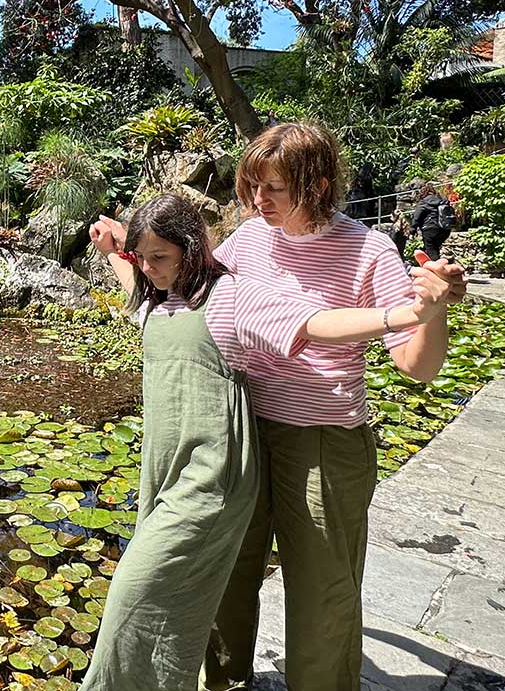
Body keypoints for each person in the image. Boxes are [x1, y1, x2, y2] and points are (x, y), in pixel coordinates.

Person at [78, 193, 449, 691]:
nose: (149, 268)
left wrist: (406, 316)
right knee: (188, 591)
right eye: (143, 259)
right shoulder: (156, 300)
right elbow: (139, 281)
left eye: (160, 258)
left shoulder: (231, 297)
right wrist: (116, 253)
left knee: (134, 588)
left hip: (211, 478)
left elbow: (317, 323)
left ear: (191, 249)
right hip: (166, 474)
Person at [198, 123, 465, 691]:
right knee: (229, 566)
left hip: (321, 437)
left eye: (273, 188)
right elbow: (198, 298)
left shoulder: (368, 251)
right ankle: (222, 681)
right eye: (252, 187)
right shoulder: (249, 238)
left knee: (323, 591)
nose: (257, 201)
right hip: (242, 425)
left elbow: (418, 366)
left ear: (317, 183)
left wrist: (433, 310)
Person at [410, 181, 456, 262]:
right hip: (445, 229)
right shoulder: (443, 201)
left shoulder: (423, 202)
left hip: (430, 230)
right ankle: (442, 266)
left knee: (432, 252)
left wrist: (412, 231)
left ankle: (438, 270)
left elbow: (416, 217)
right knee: (435, 249)